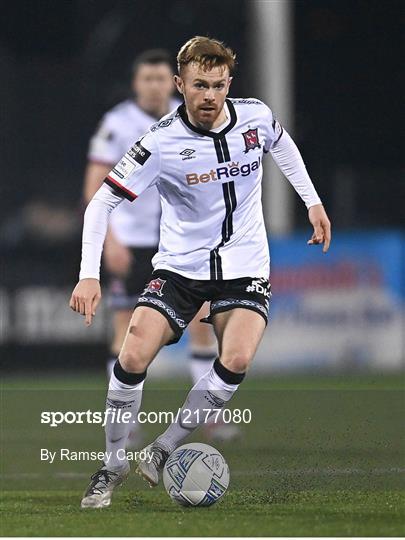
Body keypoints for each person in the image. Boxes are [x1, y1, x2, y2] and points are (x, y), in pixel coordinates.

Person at [70, 36, 331, 508]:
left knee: (237, 358)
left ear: (229, 84)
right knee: (131, 355)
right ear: (179, 85)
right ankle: (111, 466)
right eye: (199, 85)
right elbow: (102, 202)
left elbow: (283, 145)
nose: (210, 96)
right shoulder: (160, 142)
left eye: (218, 85)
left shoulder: (253, 115)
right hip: (181, 267)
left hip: (245, 264)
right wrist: (89, 273)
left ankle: (164, 448)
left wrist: (312, 202)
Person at [84, 49, 226, 445]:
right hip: (131, 242)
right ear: (136, 84)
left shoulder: (191, 116)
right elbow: (95, 184)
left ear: (175, 82)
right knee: (127, 331)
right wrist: (110, 240)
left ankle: (210, 418)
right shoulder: (116, 123)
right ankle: (124, 423)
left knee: (202, 322)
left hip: (181, 242)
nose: (154, 86)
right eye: (147, 79)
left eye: (161, 78)